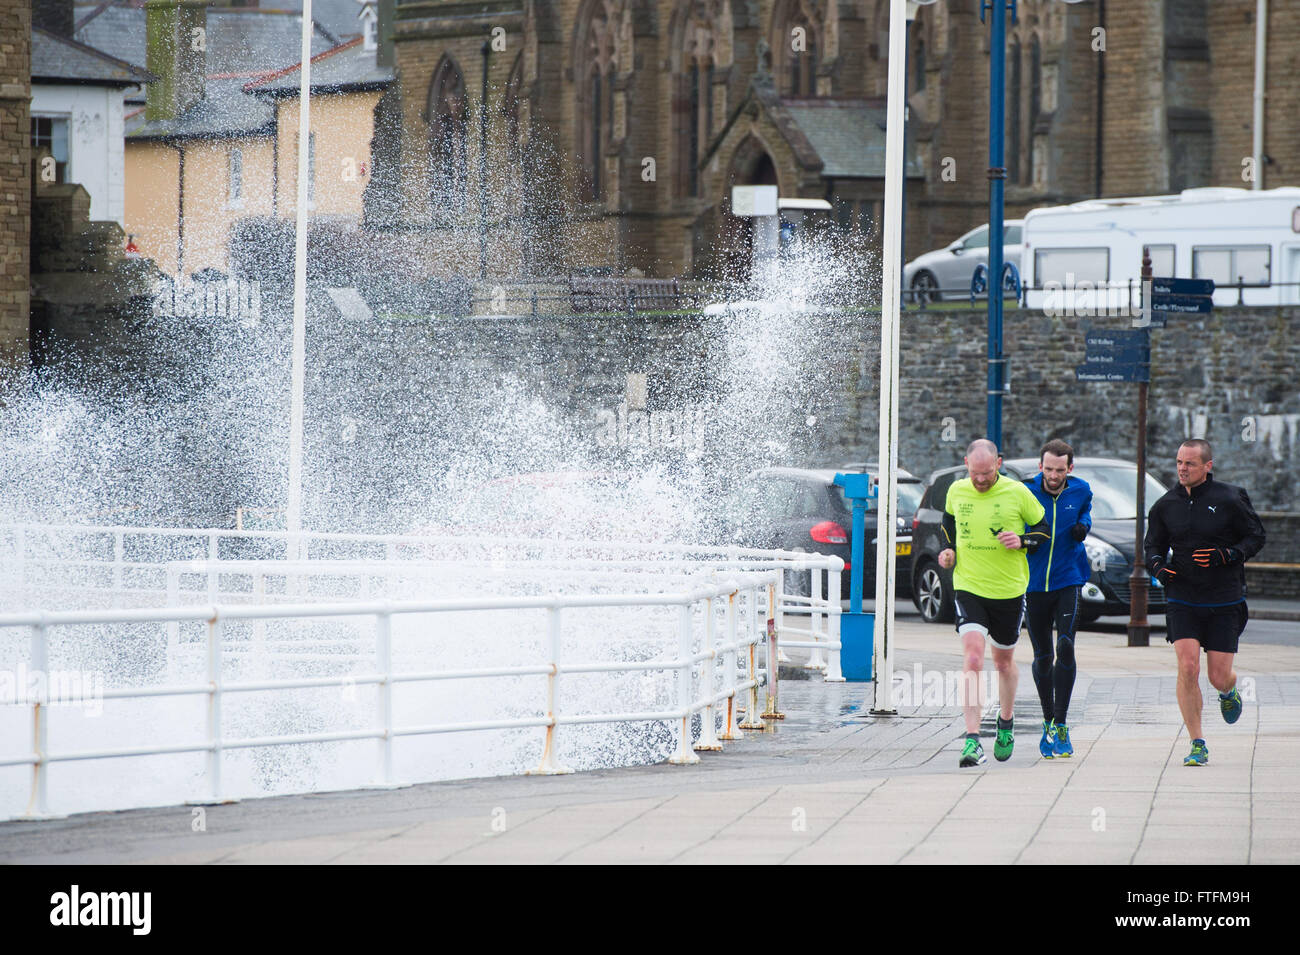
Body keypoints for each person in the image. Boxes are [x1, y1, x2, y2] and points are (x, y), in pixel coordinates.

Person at [1145, 439, 1265, 767]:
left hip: (1224, 598)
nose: (1182, 468)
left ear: (1207, 466)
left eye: (1190, 463)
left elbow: (1256, 536)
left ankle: (1229, 692)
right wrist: (1157, 566)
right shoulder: (1165, 505)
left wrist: (1228, 554)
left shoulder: (1230, 497)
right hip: (1182, 596)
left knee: (1217, 676)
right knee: (1187, 666)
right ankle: (1197, 742)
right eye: (1179, 462)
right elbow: (1152, 545)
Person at [939, 438, 1050, 767]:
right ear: (966, 464)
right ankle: (972, 739)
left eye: (987, 473)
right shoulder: (957, 490)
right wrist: (950, 551)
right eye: (975, 473)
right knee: (973, 658)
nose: (981, 480)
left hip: (1010, 590)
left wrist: (1023, 540)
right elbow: (947, 522)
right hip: (968, 585)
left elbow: (1043, 528)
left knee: (1003, 663)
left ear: (998, 464)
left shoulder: (1017, 492)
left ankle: (1006, 721)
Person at [1023, 439, 1092, 759]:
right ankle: (1048, 720)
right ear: (1040, 466)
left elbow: (1086, 513)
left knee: (1065, 645)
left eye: (1059, 470)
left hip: (1068, 579)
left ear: (1070, 469)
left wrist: (1083, 527)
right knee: (1041, 656)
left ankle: (1062, 725)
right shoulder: (1025, 491)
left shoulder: (1081, 490)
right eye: (1048, 469)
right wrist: (1026, 542)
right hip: (1034, 583)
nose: (1053, 475)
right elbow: (1011, 524)